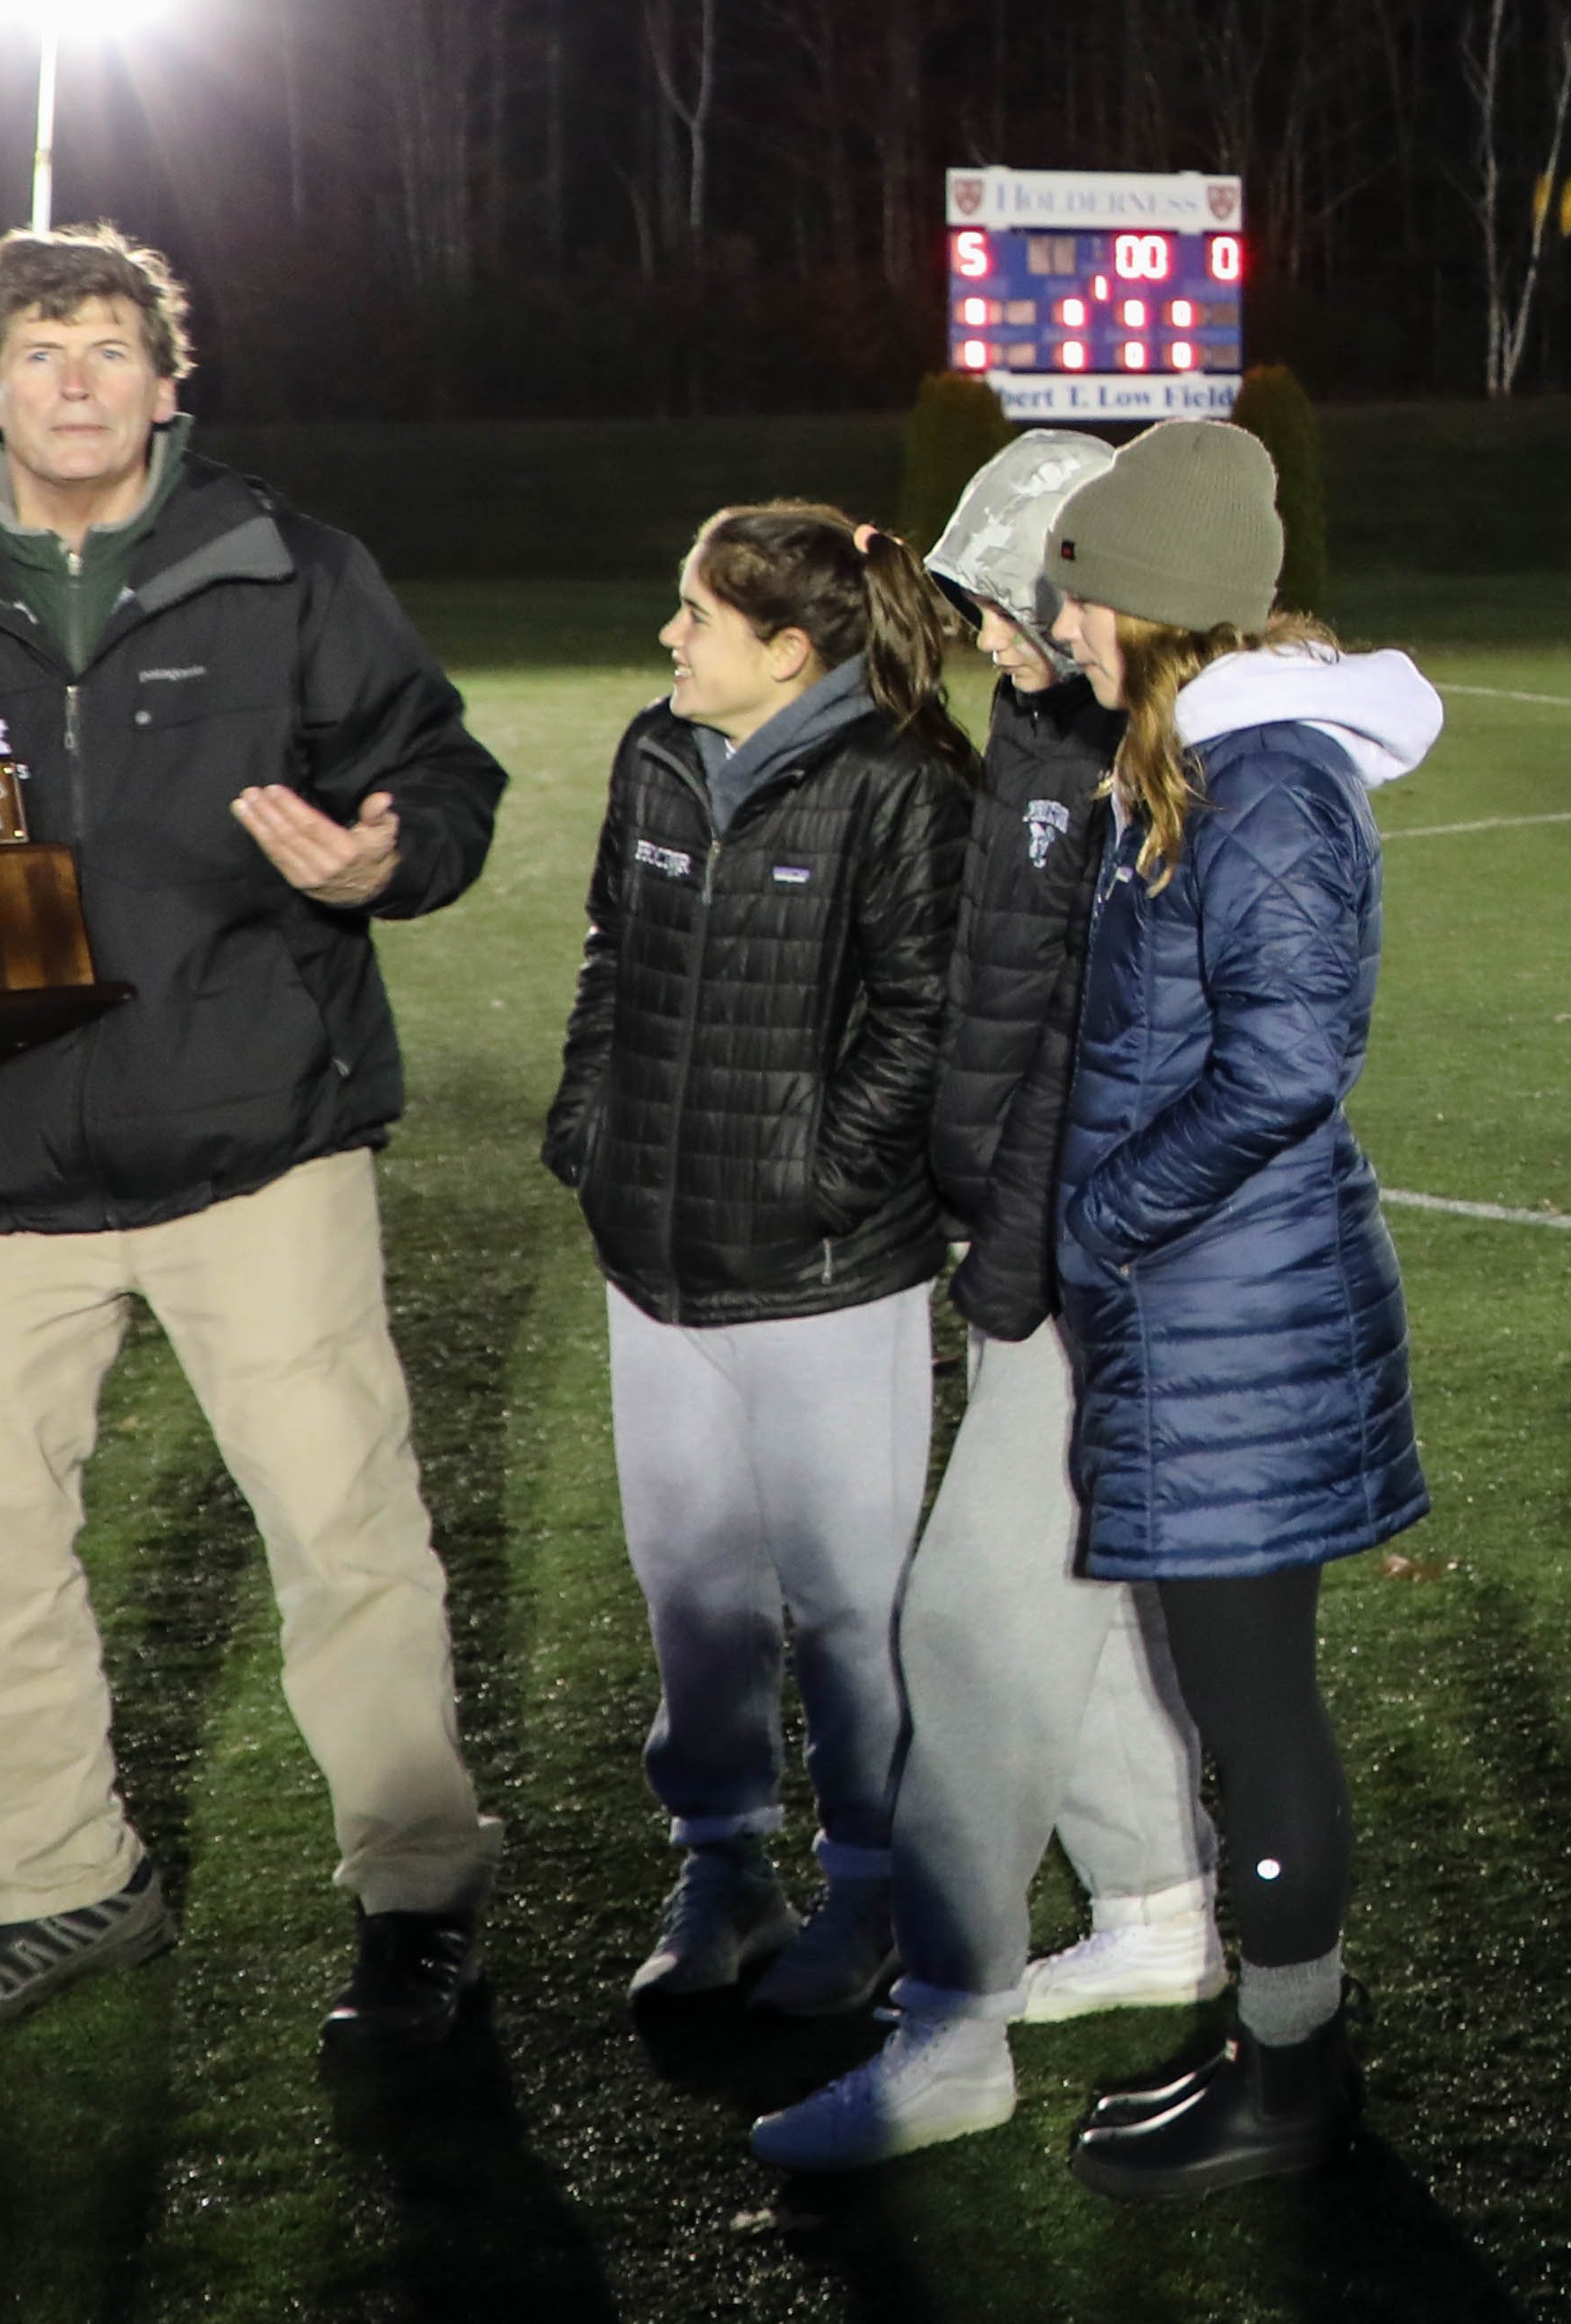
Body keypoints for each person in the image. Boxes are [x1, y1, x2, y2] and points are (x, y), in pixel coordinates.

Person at [0, 229, 511, 2056]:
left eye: (110, 346)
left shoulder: (287, 562)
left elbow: (440, 772)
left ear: (164, 383)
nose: (75, 376)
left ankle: (415, 1887)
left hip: (258, 1139)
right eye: (40, 348)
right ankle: (62, 1885)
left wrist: (391, 855)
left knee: (347, 1534)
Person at [758, 433, 1239, 2173]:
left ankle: (950, 2028)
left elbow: (1128, 1062)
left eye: (1016, 608)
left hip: (1112, 1265)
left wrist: (1030, 1253)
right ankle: (1160, 1903)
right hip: (1033, 1243)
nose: (991, 641)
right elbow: (1007, 1005)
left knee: (966, 1613)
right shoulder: (1049, 727)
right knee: (1077, 1606)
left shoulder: (1175, 759)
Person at [1031, 420, 1444, 2197]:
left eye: (1090, 589)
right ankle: (1268, 2033)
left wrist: (1107, 1215)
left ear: (1163, 602)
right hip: (1208, 1302)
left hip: (1235, 1306)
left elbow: (1286, 1057)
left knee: (1257, 1711)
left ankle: (1294, 2076)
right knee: (1230, 1706)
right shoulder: (1209, 760)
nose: (1073, 624)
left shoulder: (1268, 778)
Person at [554, 501, 976, 2023]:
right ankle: (724, 1863)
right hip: (652, 1256)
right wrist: (590, 1130)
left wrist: (812, 1181)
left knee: (847, 1603)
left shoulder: (906, 784)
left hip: (823, 1277)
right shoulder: (655, 752)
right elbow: (612, 949)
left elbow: (928, 1024)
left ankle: (874, 1887)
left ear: (788, 651)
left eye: (697, 615)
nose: (669, 636)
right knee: (692, 1586)